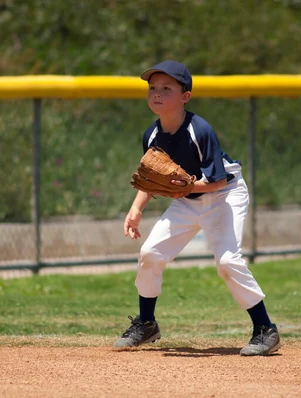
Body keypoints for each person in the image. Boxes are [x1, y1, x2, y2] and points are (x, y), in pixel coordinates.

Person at [113, 60, 281, 356]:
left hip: (224, 196)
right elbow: (153, 178)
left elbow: (217, 181)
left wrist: (183, 189)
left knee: (228, 262)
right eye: (153, 88)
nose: (157, 93)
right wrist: (136, 208)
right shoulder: (151, 136)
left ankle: (265, 329)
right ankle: (147, 323)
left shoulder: (199, 130)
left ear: (185, 97)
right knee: (150, 254)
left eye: (167, 88)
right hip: (187, 200)